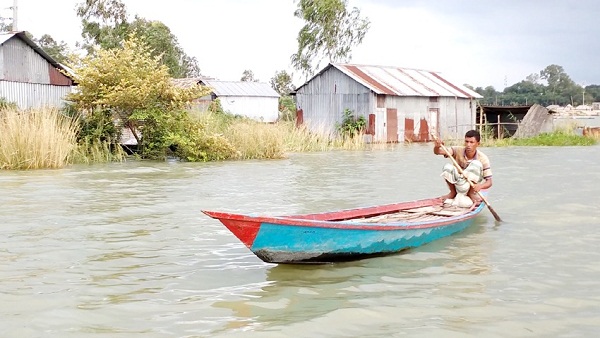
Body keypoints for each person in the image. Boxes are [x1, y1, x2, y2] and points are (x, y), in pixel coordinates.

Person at [433, 129, 493, 207]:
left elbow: (489, 182)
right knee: (447, 167)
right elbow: (438, 152)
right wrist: (437, 147)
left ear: (478, 144)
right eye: (466, 141)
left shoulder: (483, 158)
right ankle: (453, 193)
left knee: (476, 164)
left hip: (472, 186)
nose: (468, 145)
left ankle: (471, 194)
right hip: (458, 183)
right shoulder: (457, 150)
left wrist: (480, 186)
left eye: (471, 142)